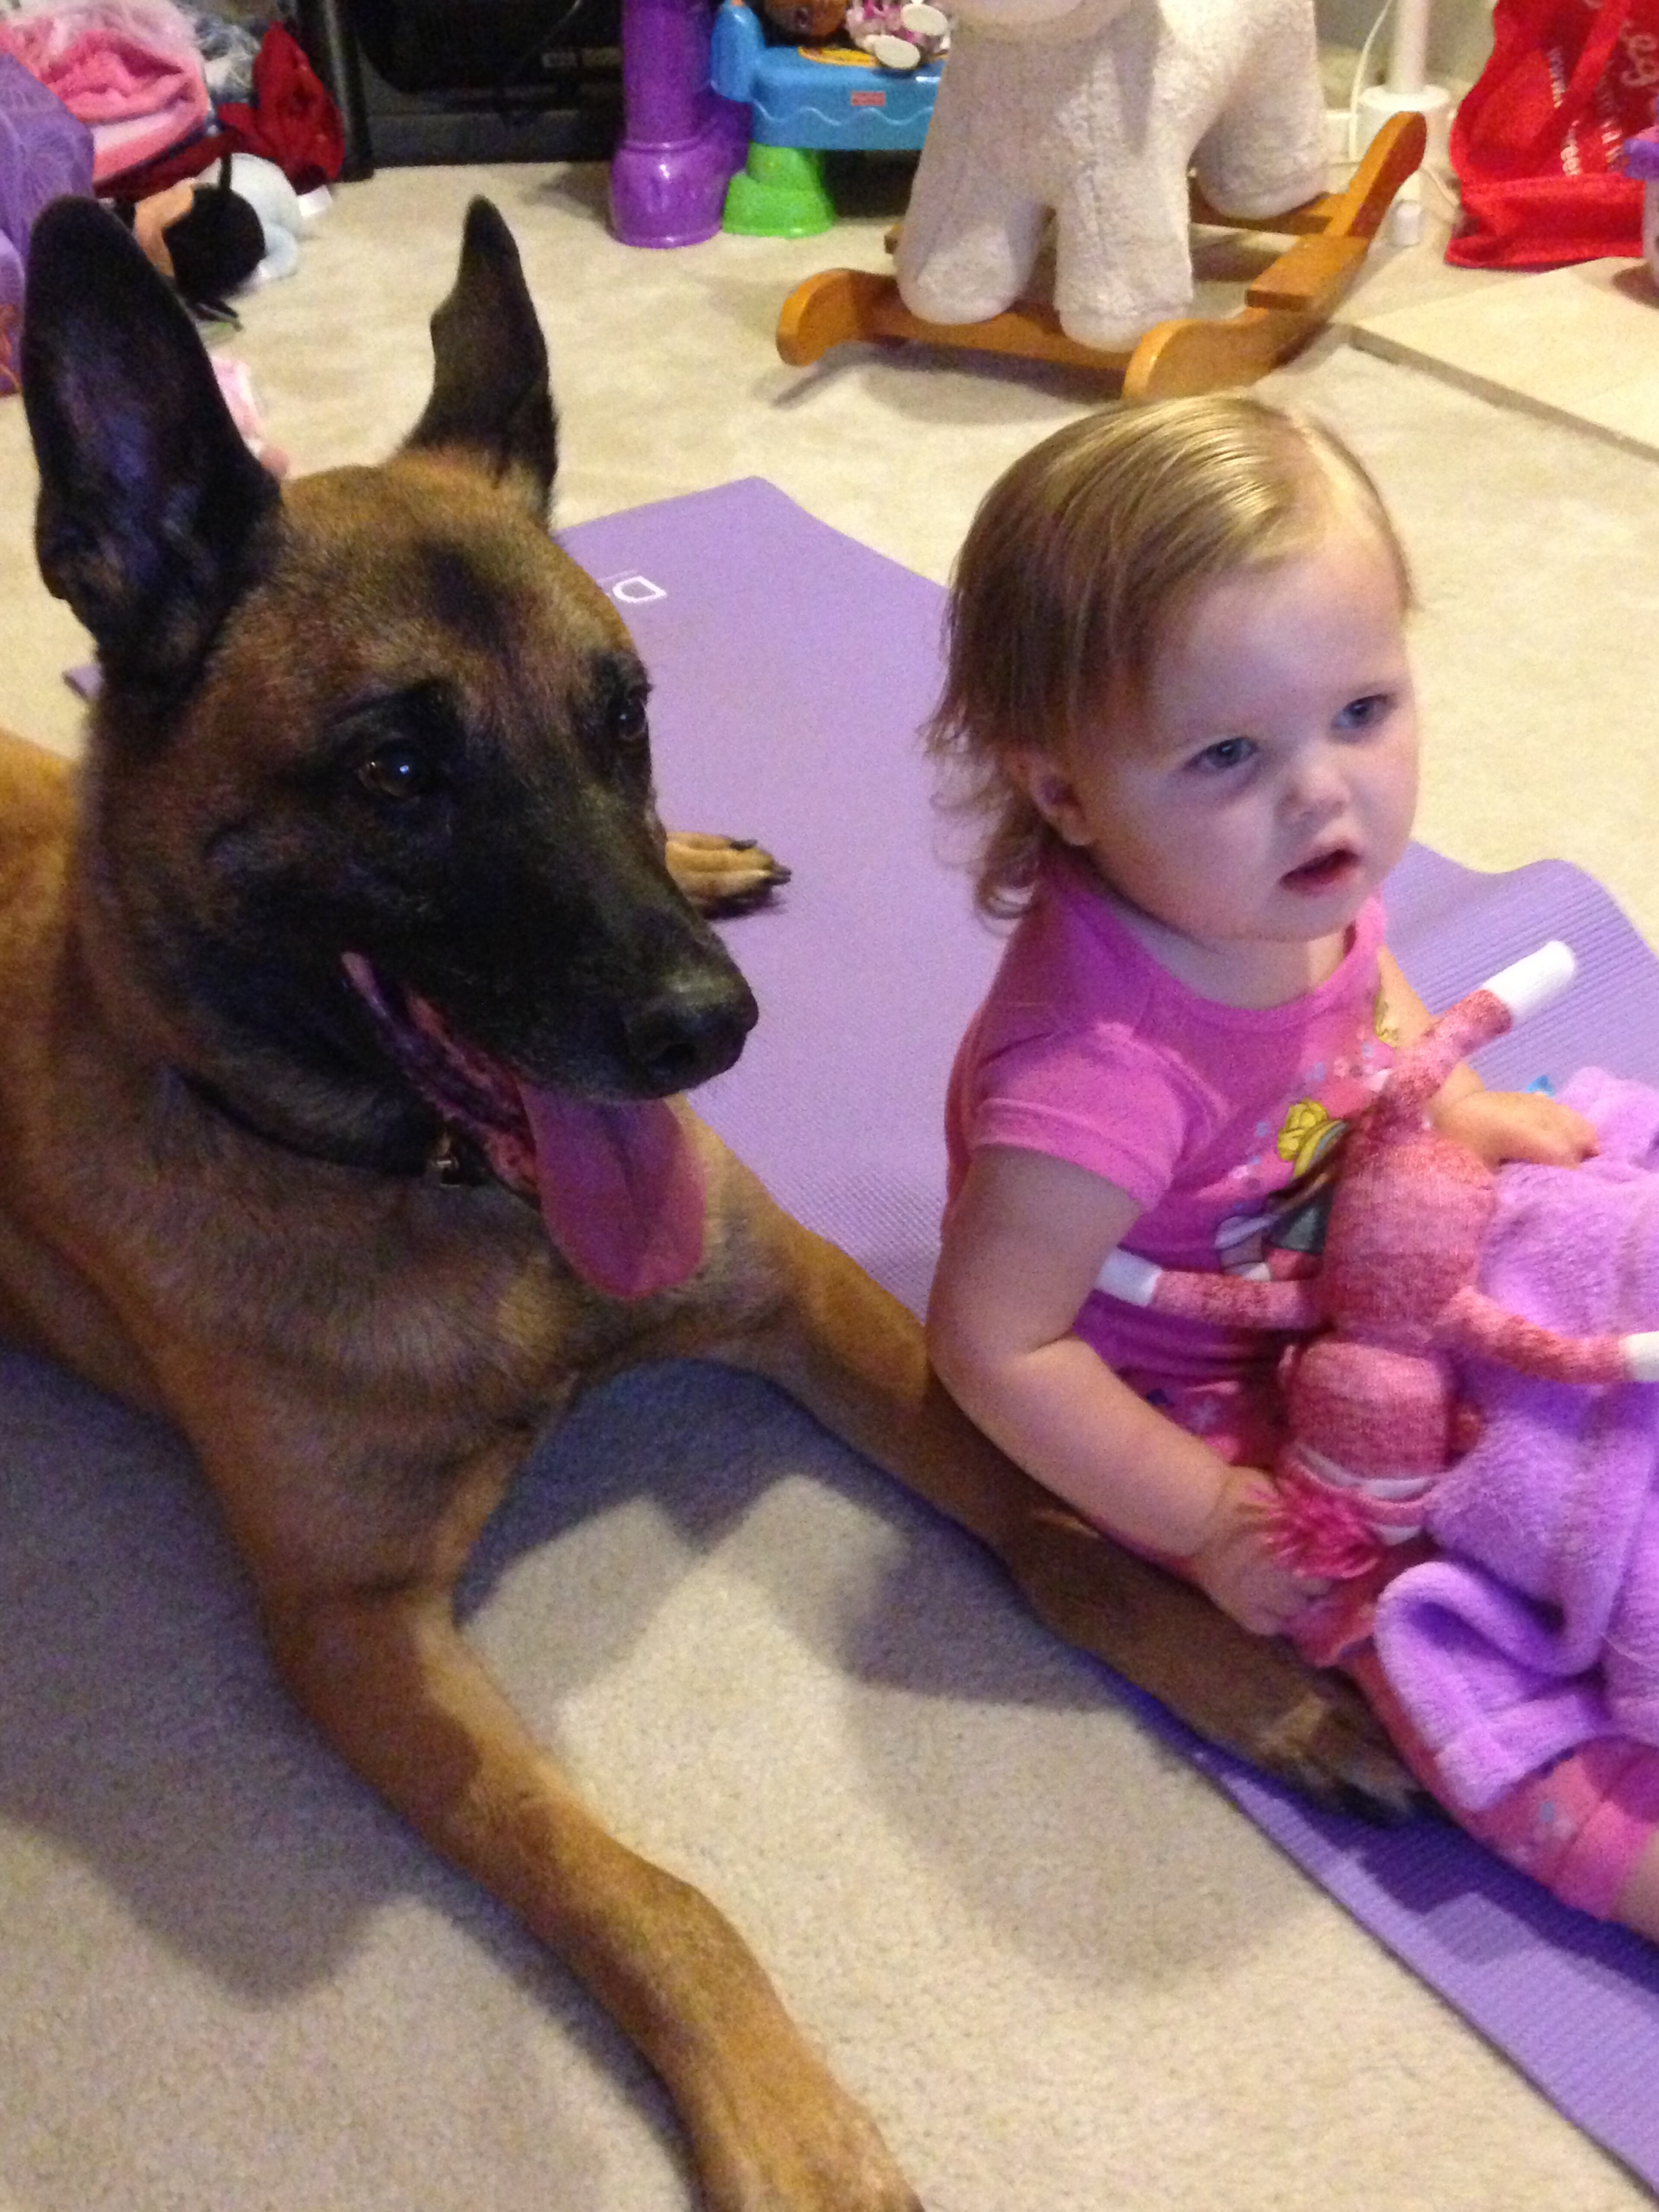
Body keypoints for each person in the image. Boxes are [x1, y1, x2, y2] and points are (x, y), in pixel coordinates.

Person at [923, 395, 1659, 1933]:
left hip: (1364, 1246)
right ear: (1063, 793)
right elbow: (998, 1343)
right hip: (1207, 1377)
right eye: (1229, 752)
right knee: (1412, 1622)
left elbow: (1365, 988)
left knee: (1614, 1212)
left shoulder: (1272, 874)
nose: (1326, 791)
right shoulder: (1097, 1078)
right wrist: (1203, 1519)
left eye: (1364, 713)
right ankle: (1611, 1839)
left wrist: (1441, 1114)